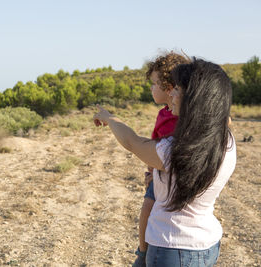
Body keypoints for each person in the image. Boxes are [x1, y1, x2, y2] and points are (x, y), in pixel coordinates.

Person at [93, 58, 236, 266]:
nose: (172, 94)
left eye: (178, 89)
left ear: (194, 98)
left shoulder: (176, 150)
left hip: (172, 249)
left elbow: (132, 142)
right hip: (208, 244)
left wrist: (110, 118)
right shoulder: (227, 141)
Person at [133, 52, 189, 267]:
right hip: (159, 169)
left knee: (149, 208)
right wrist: (151, 173)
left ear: (169, 87)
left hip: (174, 173)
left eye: (155, 83)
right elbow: (154, 145)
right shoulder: (163, 113)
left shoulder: (183, 115)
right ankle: (143, 250)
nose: (151, 88)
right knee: (148, 207)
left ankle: (143, 254)